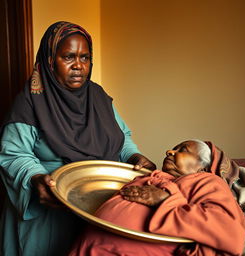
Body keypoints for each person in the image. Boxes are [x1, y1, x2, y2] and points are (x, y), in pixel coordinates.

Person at [0, 21, 156, 256]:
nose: (78, 66)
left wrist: (134, 156)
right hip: (48, 214)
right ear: (51, 60)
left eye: (85, 57)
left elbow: (121, 137)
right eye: (68, 57)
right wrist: (35, 178)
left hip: (97, 207)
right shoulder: (31, 101)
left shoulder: (98, 96)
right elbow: (13, 153)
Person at [68, 139, 245, 256]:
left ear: (202, 168)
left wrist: (164, 200)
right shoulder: (152, 176)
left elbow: (228, 231)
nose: (169, 151)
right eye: (173, 148)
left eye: (182, 150)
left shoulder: (207, 180)